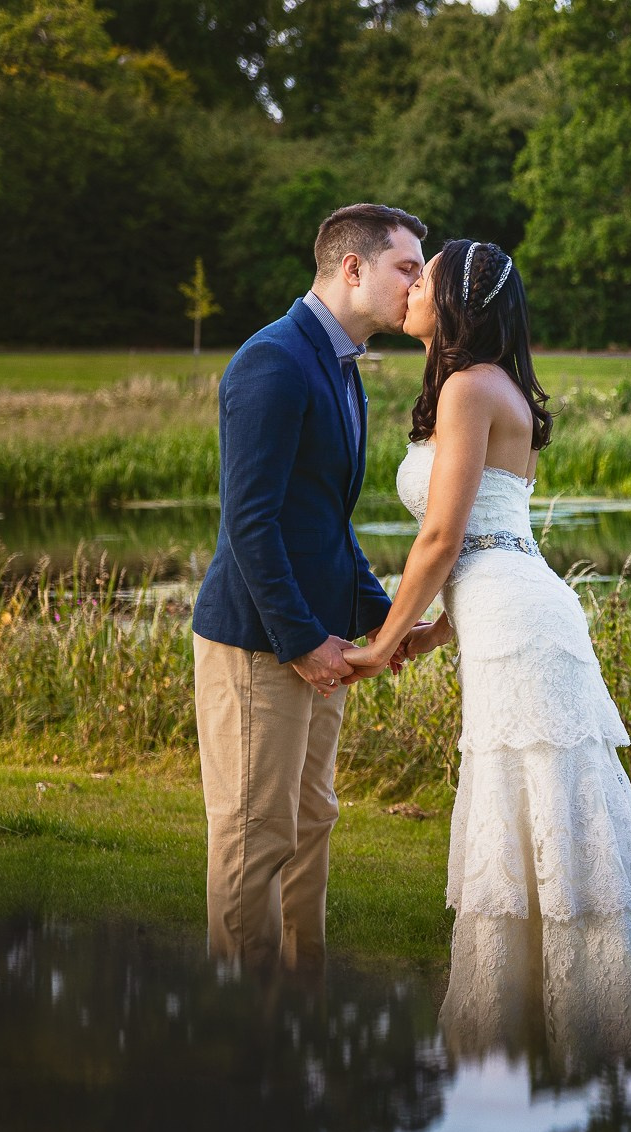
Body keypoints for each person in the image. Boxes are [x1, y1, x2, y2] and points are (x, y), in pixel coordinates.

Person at [344, 239, 631, 1056]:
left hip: (518, 619)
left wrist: (382, 643)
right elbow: (492, 539)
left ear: (457, 301)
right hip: (512, 609)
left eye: (424, 279)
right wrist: (436, 631)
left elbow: (441, 538)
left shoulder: (471, 387)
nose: (412, 290)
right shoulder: (484, 386)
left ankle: (580, 1018)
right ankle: (556, 1015)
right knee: (537, 796)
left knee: (543, 794)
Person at [191, 203, 426, 971]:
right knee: (255, 834)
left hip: (323, 645)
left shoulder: (340, 366)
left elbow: (323, 522)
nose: (418, 283)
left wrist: (385, 622)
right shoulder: (274, 360)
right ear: (352, 268)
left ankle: (302, 1010)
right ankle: (245, 1035)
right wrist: (301, 643)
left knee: (310, 819)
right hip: (261, 645)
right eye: (406, 267)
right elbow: (249, 523)